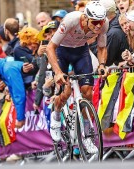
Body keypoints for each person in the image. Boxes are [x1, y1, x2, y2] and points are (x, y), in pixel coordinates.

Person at [46, 1, 108, 152]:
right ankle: (56, 115)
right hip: (62, 51)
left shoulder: (104, 24)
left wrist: (101, 65)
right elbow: (50, 47)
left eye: (101, 22)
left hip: (81, 52)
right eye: (95, 22)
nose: (98, 26)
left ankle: (87, 134)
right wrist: (58, 72)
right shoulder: (71, 20)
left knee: (87, 91)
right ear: (86, 18)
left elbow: (101, 47)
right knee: (65, 90)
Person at [99, 0, 129, 66]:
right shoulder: (118, 21)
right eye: (118, 2)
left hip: (128, 70)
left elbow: (106, 61)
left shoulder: (113, 33)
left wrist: (92, 43)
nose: (125, 27)